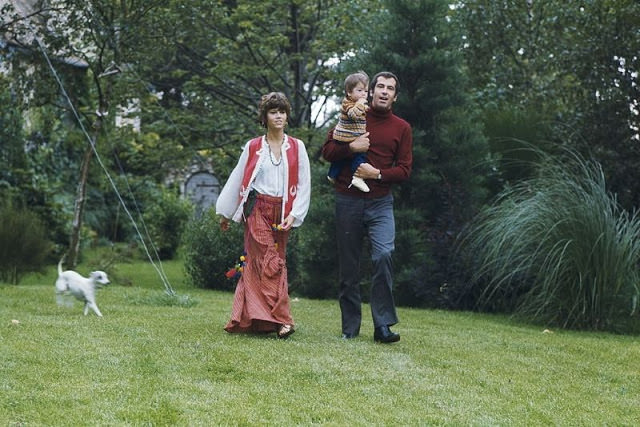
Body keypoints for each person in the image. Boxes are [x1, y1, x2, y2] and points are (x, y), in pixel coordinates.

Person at [321, 71, 413, 343]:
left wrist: (378, 175)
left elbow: (405, 170)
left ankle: (382, 325)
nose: (384, 92)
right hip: (347, 199)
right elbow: (327, 151)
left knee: (384, 256)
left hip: (381, 203)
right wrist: (352, 148)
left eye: (390, 89)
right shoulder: (354, 114)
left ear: (396, 96)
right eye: (380, 87)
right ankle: (350, 329)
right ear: (370, 91)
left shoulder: (401, 128)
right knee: (349, 267)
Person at [216, 92, 311, 339]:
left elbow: (303, 184)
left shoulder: (298, 147)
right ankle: (284, 320)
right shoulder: (253, 146)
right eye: (273, 112)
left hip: (283, 212)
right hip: (257, 208)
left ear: (287, 115)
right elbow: (238, 178)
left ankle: (259, 321)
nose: (278, 116)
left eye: (282, 111)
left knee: (273, 261)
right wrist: (226, 212)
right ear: (265, 116)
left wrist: (295, 214)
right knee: (269, 261)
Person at [327, 71, 370, 192]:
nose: (363, 94)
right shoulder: (347, 103)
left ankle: (332, 175)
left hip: (348, 136)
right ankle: (357, 177)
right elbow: (353, 115)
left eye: (365, 91)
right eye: (360, 90)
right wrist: (361, 104)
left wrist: (364, 107)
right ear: (349, 92)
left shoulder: (356, 103)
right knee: (360, 156)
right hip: (346, 137)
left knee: (341, 160)